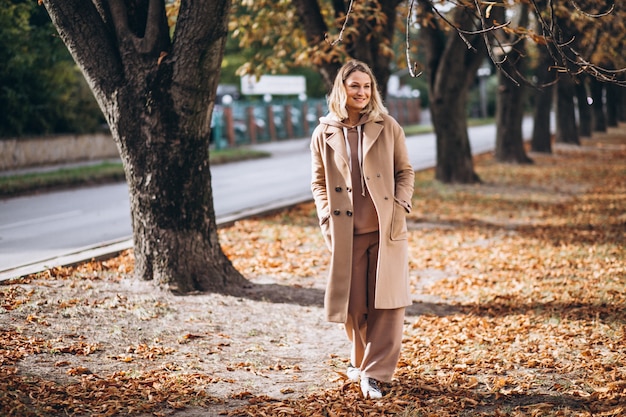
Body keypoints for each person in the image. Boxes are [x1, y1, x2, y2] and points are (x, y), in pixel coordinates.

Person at [310, 60, 415, 399]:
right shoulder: (324, 132)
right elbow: (318, 182)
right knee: (353, 306)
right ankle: (361, 361)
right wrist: (326, 215)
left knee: (387, 304)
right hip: (345, 233)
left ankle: (374, 373)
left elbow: (405, 172)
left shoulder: (388, 126)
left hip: (385, 231)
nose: (362, 92)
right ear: (341, 88)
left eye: (367, 86)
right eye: (355, 85)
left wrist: (400, 205)